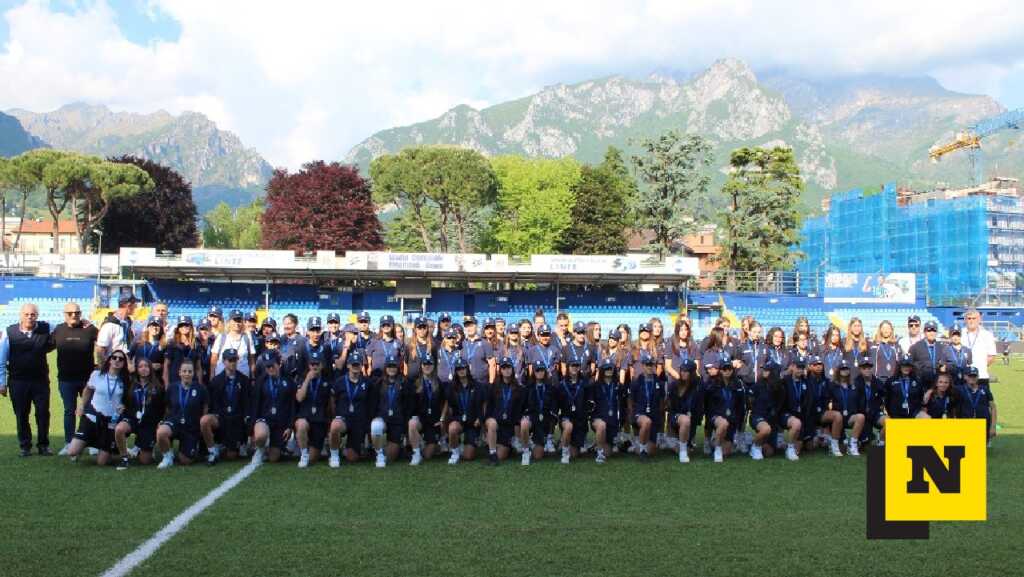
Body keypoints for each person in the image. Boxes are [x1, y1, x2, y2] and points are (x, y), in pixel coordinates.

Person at [0, 303, 56, 456]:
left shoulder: (46, 328)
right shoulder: (9, 332)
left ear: (37, 315)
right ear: (21, 315)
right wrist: (2, 383)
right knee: (21, 414)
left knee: (43, 413)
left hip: (40, 381)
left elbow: (63, 329)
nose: (30, 317)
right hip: (18, 381)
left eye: (33, 314)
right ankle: (25, 446)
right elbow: (1, 359)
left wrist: (85, 323)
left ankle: (43, 445)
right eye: (27, 314)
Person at [66, 351, 130, 466]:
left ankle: (110, 449)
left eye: (121, 359)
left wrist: (124, 407)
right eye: (114, 357)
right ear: (110, 360)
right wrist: (81, 406)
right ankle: (84, 444)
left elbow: (128, 400)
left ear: (124, 364)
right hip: (92, 416)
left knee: (102, 462)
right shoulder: (97, 374)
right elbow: (87, 390)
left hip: (111, 421)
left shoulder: (125, 380)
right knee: (72, 451)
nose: (117, 360)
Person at [51, 301, 98, 455]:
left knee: (90, 410)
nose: (74, 316)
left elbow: (104, 344)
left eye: (77, 313)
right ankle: (69, 442)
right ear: (64, 315)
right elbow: (44, 346)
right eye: (70, 313)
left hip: (87, 380)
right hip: (66, 380)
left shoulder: (89, 329)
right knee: (69, 411)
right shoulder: (58, 330)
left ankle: (92, 443)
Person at [156, 359, 209, 468]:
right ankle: (167, 457)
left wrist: (200, 428)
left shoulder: (200, 389)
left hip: (191, 427)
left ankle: (194, 446)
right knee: (161, 432)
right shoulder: (172, 387)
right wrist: (164, 421)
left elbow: (205, 408)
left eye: (189, 371)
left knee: (185, 460)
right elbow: (167, 407)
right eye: (184, 371)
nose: (187, 374)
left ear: (193, 373)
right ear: (179, 372)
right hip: (174, 422)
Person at [203, 348, 252, 465]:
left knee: (231, 456)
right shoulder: (216, 381)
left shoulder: (244, 381)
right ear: (224, 361)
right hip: (221, 418)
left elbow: (246, 403)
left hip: (237, 420)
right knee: (205, 421)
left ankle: (234, 444)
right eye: (230, 360)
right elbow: (213, 403)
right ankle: (212, 450)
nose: (232, 362)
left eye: (235, 359)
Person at [114, 357, 164, 468]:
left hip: (149, 424)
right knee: (119, 429)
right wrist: (122, 406)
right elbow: (124, 402)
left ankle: (140, 447)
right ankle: (124, 458)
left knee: (145, 461)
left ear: (150, 368)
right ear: (136, 369)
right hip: (132, 419)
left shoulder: (158, 386)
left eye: (146, 366)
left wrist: (160, 421)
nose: (144, 369)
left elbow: (162, 407)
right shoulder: (131, 384)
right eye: (140, 366)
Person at [250, 350, 296, 464]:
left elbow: (292, 405)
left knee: (273, 458)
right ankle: (260, 449)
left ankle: (277, 447)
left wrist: (290, 426)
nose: (270, 369)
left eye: (272, 365)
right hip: (265, 419)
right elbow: (255, 404)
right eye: (267, 366)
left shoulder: (289, 381)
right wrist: (252, 427)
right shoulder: (261, 381)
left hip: (281, 422)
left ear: (279, 363)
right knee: (260, 435)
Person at [329, 352, 373, 467]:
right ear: (348, 365)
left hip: (359, 421)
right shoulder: (339, 381)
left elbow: (370, 403)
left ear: (361, 366)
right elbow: (332, 399)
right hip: (343, 419)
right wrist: (335, 415)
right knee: (335, 426)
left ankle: (346, 448)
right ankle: (334, 455)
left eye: (358, 364)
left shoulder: (367, 383)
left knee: (352, 458)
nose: (355, 367)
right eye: (353, 364)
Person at [444, 358, 487, 465]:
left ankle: (466, 444)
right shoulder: (451, 387)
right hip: (458, 419)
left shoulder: (478, 386)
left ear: (467, 369)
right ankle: (455, 452)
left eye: (463, 368)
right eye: (458, 369)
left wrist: (480, 418)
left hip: (473, 422)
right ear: (456, 371)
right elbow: (448, 406)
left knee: (469, 456)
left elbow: (484, 404)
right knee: (452, 428)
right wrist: (445, 422)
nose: (461, 371)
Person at [484, 356, 525, 465]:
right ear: (500, 370)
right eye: (504, 368)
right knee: (492, 423)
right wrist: (486, 425)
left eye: (509, 368)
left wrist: (517, 435)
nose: (506, 370)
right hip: (494, 422)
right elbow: (488, 408)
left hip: (508, 426)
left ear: (512, 369)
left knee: (501, 455)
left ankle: (494, 444)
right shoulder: (493, 387)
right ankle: (492, 453)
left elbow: (518, 412)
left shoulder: (519, 389)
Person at [369, 354, 408, 468]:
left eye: (394, 366)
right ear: (385, 368)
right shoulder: (378, 383)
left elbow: (407, 406)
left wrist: (404, 425)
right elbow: (373, 405)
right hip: (382, 419)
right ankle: (379, 454)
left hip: (397, 422)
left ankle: (393, 447)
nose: (392, 369)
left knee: (391, 457)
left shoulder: (404, 383)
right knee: (375, 425)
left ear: (398, 367)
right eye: (389, 366)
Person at [407, 355, 443, 465]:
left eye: (430, 364)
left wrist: (442, 418)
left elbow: (444, 402)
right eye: (425, 364)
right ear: (421, 366)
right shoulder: (415, 382)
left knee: (428, 455)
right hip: (420, 419)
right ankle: (416, 453)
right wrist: (413, 416)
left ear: (434, 366)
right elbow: (410, 404)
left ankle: (433, 444)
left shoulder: (439, 382)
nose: (427, 367)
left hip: (433, 421)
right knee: (412, 424)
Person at [629, 354, 664, 462]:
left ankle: (637, 446)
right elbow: (630, 400)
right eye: (647, 364)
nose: (649, 367)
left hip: (654, 415)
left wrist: (661, 417)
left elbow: (662, 400)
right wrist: (631, 414)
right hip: (640, 414)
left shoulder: (658, 381)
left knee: (652, 451)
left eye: (651, 365)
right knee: (646, 422)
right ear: (643, 365)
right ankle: (642, 450)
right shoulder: (636, 381)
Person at [825, 361, 864, 457]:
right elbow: (827, 401)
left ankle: (853, 445)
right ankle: (834, 446)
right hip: (837, 418)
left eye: (846, 369)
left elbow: (859, 401)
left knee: (861, 417)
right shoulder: (832, 385)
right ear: (838, 371)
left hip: (850, 417)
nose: (844, 371)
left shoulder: (854, 385)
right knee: (842, 447)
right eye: (842, 369)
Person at [665, 359, 701, 463]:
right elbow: (669, 408)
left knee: (689, 449)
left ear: (692, 372)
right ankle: (682, 451)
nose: (683, 373)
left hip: (691, 421)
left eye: (687, 371)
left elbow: (698, 410)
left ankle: (681, 445)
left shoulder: (698, 387)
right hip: (676, 418)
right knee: (685, 420)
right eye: (682, 370)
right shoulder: (673, 385)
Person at [591, 357, 626, 464]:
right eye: (606, 369)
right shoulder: (595, 386)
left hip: (613, 422)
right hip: (599, 419)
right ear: (602, 370)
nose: (609, 370)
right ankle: (599, 454)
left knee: (609, 453)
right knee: (601, 426)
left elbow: (623, 406)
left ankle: (597, 446)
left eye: (611, 368)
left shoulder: (619, 386)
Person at [556, 358, 589, 464]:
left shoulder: (585, 384)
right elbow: (557, 404)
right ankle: (564, 452)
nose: (574, 368)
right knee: (568, 426)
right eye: (572, 366)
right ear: (568, 368)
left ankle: (564, 443)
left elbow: (588, 403)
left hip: (579, 421)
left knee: (575, 454)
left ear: (579, 368)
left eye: (577, 366)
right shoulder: (561, 385)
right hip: (566, 418)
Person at [522, 361, 556, 464]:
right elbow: (523, 407)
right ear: (534, 372)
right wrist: (526, 416)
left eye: (542, 370)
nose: (540, 372)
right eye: (537, 370)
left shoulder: (550, 388)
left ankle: (544, 441)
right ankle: (526, 451)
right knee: (524, 423)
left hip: (544, 421)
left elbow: (553, 410)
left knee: (538, 456)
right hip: (532, 419)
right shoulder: (528, 388)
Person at [209, 309, 258, 379]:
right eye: (234, 320)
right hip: (222, 378)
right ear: (229, 321)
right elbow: (214, 358)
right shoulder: (222, 336)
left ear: (242, 322)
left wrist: (253, 377)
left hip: (243, 378)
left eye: (239, 321)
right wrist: (212, 375)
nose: (237, 323)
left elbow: (251, 360)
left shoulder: (247, 337)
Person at [955, 366, 997, 446]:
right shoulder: (959, 390)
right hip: (966, 424)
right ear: (965, 377)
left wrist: (993, 426)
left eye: (974, 376)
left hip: (983, 425)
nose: (972, 378)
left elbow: (993, 408)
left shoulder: (985, 389)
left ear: (978, 377)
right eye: (969, 376)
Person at [961, 308, 997, 388]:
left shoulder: (987, 335)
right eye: (969, 318)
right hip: (963, 377)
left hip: (981, 376)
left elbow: (991, 357)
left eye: (974, 318)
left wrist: (980, 365)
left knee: (982, 400)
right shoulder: (960, 334)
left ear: (979, 319)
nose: (971, 321)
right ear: (965, 320)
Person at [96, 296, 137, 362]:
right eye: (135, 305)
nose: (136, 307)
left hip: (126, 364)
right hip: (114, 363)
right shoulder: (109, 325)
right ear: (128, 305)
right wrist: (105, 367)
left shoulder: (129, 322)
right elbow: (100, 349)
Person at [164, 316, 203, 386]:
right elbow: (166, 366)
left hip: (192, 382)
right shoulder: (172, 344)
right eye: (181, 325)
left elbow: (198, 368)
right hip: (175, 383)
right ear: (178, 328)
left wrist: (199, 385)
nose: (184, 327)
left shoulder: (196, 344)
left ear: (191, 326)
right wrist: (167, 385)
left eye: (186, 325)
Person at [460, 316, 495, 385]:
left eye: (471, 325)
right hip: (466, 383)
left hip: (482, 383)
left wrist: (491, 383)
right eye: (467, 326)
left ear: (476, 326)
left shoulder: (485, 343)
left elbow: (492, 365)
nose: (469, 328)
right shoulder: (463, 343)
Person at [909, 321, 943, 388]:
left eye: (934, 330)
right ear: (924, 332)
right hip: (921, 383)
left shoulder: (941, 347)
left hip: (937, 384)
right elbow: (909, 365)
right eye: (929, 330)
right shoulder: (915, 347)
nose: (931, 333)